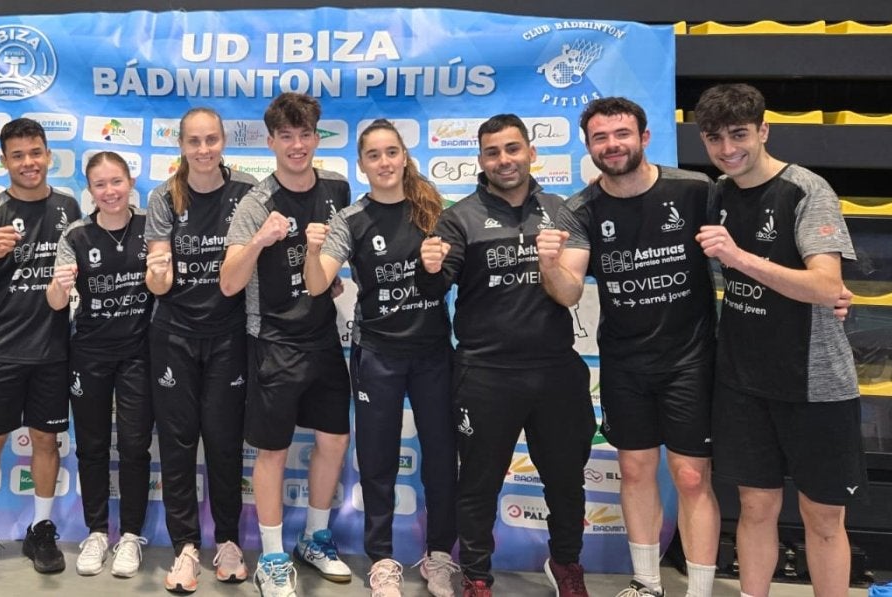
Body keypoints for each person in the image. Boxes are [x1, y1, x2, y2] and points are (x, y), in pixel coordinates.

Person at [537, 97, 721, 597]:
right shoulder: (581, 209)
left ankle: (700, 590)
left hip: (691, 358)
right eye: (600, 138)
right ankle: (646, 584)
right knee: (635, 469)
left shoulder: (696, 190)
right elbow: (569, 290)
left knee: (689, 476)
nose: (612, 145)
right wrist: (549, 265)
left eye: (621, 134)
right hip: (624, 360)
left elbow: (736, 256)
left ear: (644, 137)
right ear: (589, 146)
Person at [693, 83, 864, 597]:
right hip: (743, 380)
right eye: (715, 138)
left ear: (764, 130)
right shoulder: (715, 194)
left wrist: (740, 257)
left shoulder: (806, 190)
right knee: (755, 508)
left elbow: (828, 286)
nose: (727, 150)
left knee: (824, 517)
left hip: (817, 384)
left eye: (740, 134)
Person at [418, 114, 594, 597]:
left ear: (531, 152)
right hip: (485, 373)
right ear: (480, 160)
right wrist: (429, 268)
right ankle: (476, 574)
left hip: (555, 371)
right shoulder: (460, 217)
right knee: (477, 484)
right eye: (493, 152)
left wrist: (548, 262)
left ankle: (566, 565)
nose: (504, 160)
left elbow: (571, 294)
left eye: (513, 149)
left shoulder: (562, 211)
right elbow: (436, 286)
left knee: (565, 481)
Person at [303, 119, 459, 597]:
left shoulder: (435, 209)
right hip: (379, 355)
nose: (385, 162)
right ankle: (384, 559)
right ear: (362, 164)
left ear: (405, 157)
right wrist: (312, 249)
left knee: (440, 458)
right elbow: (314, 284)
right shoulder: (350, 219)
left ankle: (438, 558)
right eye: (374, 155)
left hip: (433, 353)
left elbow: (460, 270)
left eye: (393, 152)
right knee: (377, 461)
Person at [220, 92, 352, 597]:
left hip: (322, 337)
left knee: (334, 439)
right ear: (271, 141)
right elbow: (229, 283)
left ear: (317, 138)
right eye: (287, 137)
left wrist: (331, 279)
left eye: (306, 135)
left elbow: (340, 257)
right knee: (272, 452)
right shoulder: (256, 202)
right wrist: (259, 242)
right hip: (273, 340)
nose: (297, 146)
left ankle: (315, 538)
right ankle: (272, 556)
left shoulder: (338, 188)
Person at [0, 117, 82, 581]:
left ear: (47, 154)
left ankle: (42, 528)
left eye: (35, 152)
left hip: (53, 349)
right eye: (18, 155)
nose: (28, 162)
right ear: (5, 160)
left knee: (47, 440)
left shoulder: (69, 207)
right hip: (2, 350)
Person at [144, 107, 259, 593]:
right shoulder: (163, 196)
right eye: (194, 141)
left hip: (230, 333)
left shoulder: (249, 189)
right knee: (177, 443)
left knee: (225, 441)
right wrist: (157, 274)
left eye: (211, 139)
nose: (204, 149)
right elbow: (156, 266)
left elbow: (264, 258)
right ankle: (186, 547)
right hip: (173, 333)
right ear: (181, 144)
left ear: (223, 140)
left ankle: (228, 541)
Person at [46, 152, 155, 579]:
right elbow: (56, 303)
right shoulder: (77, 234)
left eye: (117, 182)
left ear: (130, 182)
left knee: (133, 446)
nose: (110, 192)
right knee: (91, 446)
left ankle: (130, 535)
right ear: (89, 190)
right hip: (88, 353)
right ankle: (96, 532)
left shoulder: (151, 226)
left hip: (139, 354)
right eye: (100, 185)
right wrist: (58, 286)